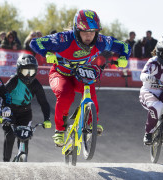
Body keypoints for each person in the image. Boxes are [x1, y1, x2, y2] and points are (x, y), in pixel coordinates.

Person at [30, 9, 131, 146]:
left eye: (92, 32)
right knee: (66, 95)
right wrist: (46, 52)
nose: (89, 36)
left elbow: (124, 46)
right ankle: (60, 130)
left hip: (81, 73)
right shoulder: (64, 39)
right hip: (60, 73)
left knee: (90, 88)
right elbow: (35, 42)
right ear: (77, 31)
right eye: (84, 32)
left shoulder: (101, 40)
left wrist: (124, 57)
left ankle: (91, 123)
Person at [0, 54, 51, 162]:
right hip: (9, 112)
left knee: (25, 138)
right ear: (19, 71)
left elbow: (43, 103)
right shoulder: (14, 81)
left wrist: (47, 119)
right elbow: (0, 97)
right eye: (26, 72)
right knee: (10, 135)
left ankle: (23, 162)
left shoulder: (36, 84)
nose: (29, 75)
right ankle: (6, 162)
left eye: (32, 72)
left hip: (25, 113)